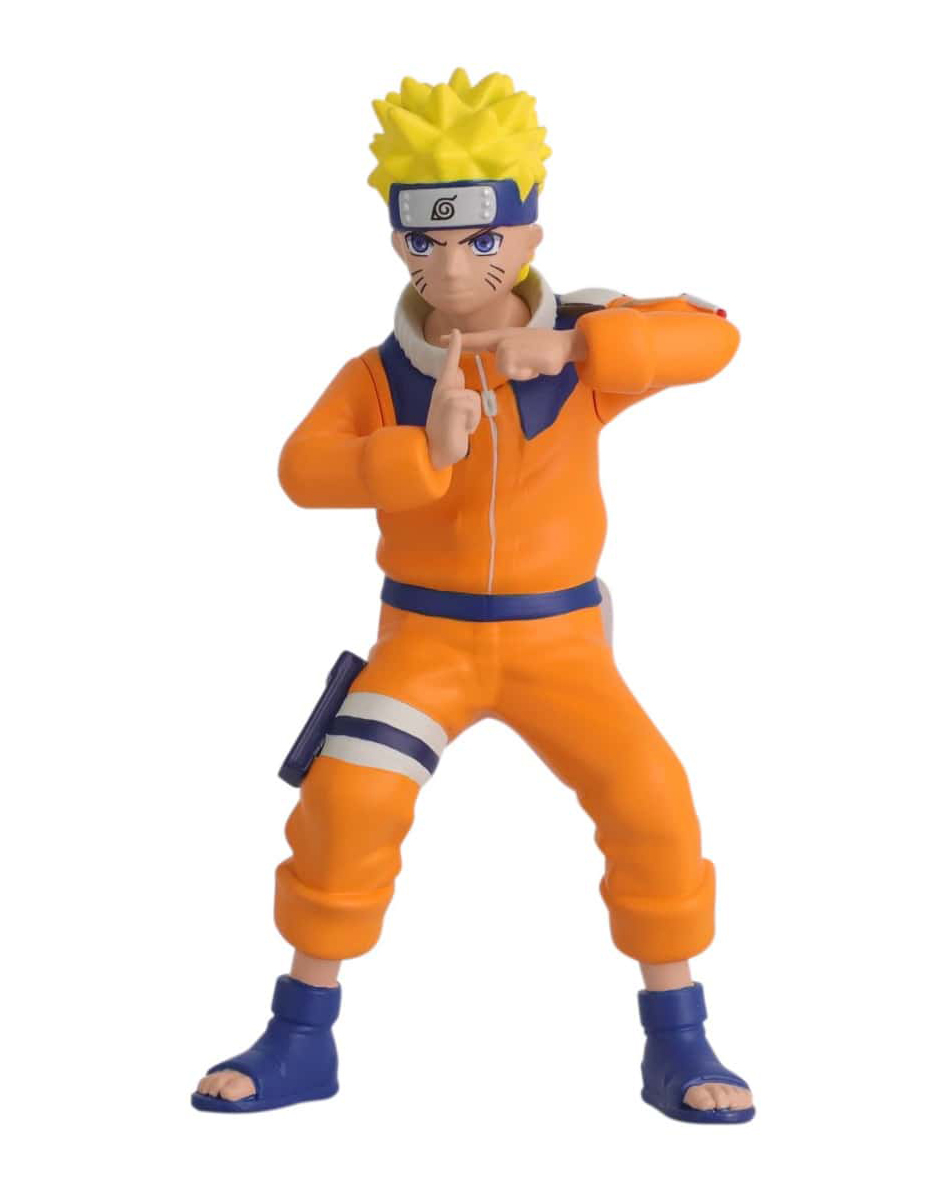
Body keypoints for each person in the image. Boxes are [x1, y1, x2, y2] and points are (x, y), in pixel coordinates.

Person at [192, 68, 754, 1123]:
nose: (452, 268)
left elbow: (712, 333)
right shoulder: (378, 375)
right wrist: (417, 453)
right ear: (396, 238)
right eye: (424, 239)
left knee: (651, 800)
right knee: (347, 801)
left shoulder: (586, 344)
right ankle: (300, 1035)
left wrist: (577, 344)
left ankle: (678, 1035)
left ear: (530, 231)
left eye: (482, 238)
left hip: (560, 646)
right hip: (425, 644)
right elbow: (301, 468)